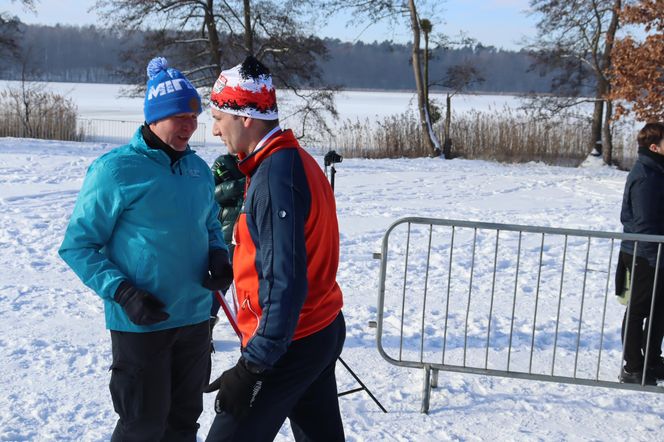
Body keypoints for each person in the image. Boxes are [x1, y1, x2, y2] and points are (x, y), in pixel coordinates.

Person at [58, 56, 233, 440]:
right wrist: (123, 292)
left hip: (194, 321)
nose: (190, 126)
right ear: (154, 117)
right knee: (142, 426)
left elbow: (209, 226)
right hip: (142, 322)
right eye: (179, 117)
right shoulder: (115, 170)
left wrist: (219, 254)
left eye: (194, 117)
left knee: (183, 424)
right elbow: (78, 246)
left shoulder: (198, 170)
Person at [204, 55, 346, 441]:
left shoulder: (275, 177)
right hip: (317, 329)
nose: (215, 130)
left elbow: (285, 282)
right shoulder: (294, 161)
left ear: (245, 117)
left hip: (290, 342)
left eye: (219, 117)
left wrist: (252, 368)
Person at [618, 122, 664, 385]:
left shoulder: (658, 171)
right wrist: (653, 254)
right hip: (644, 253)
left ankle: (653, 361)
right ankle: (633, 366)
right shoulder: (646, 175)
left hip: (657, 252)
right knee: (639, 310)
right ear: (654, 147)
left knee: (660, 310)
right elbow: (646, 222)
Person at [209, 153, 245, 331]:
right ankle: (207, 320)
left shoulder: (261, 160)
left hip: (252, 228)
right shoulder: (223, 162)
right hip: (228, 228)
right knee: (224, 276)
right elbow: (211, 193)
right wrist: (239, 185)